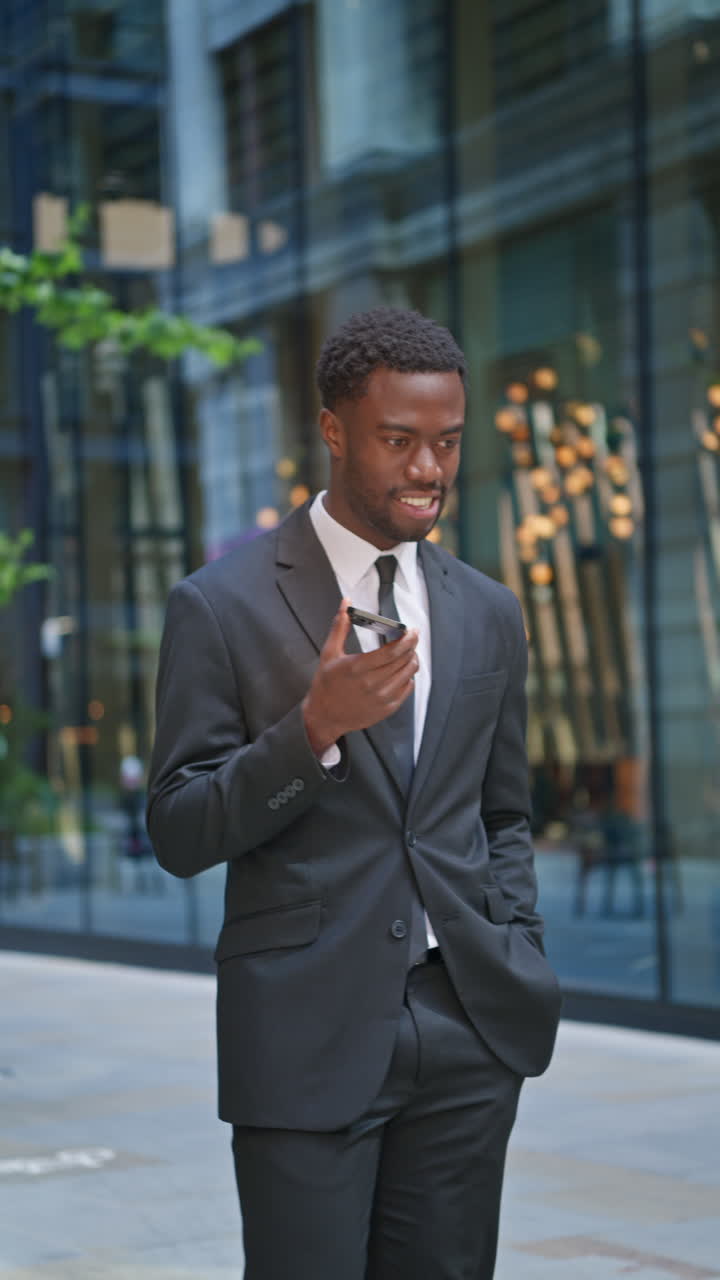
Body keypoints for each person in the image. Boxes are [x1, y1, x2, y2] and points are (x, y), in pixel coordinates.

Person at [147, 307, 561, 1280]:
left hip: (469, 1025)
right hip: (304, 1036)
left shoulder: (489, 612)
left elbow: (502, 813)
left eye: (448, 442)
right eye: (400, 440)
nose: (430, 468)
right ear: (334, 430)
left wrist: (516, 945)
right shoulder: (221, 605)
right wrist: (312, 730)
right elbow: (176, 825)